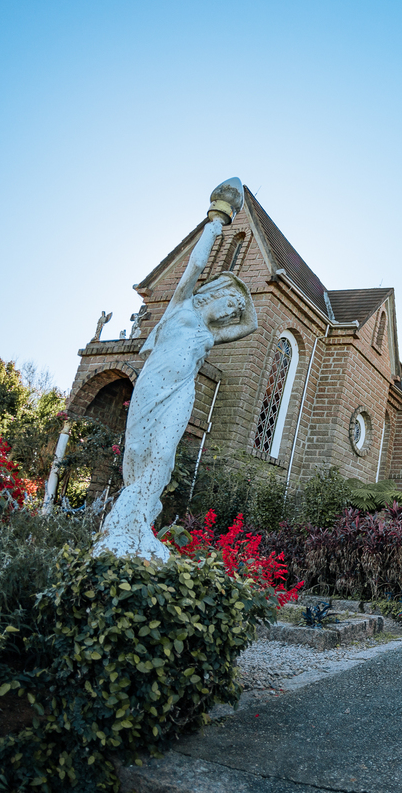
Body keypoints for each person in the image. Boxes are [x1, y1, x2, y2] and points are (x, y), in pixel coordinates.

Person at [95, 216, 257, 560]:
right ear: (214, 295)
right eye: (228, 304)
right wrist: (215, 223)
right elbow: (195, 266)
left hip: (181, 392)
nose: (229, 314)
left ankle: (138, 518)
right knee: (136, 450)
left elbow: (250, 325)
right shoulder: (181, 306)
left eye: (233, 311)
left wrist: (243, 295)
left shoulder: (211, 334)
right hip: (151, 387)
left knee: (163, 454)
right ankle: (128, 520)